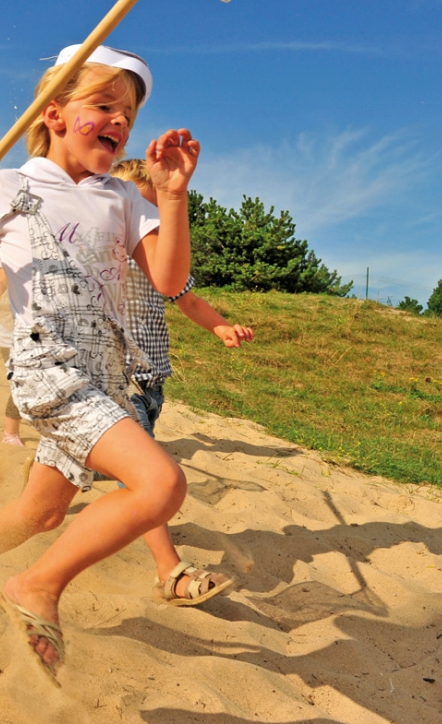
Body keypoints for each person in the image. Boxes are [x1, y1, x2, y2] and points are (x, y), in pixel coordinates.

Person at [0, 44, 199, 681]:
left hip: (104, 376)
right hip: (49, 365)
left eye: (128, 114)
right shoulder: (12, 184)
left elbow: (168, 279)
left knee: (42, 513)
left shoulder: (123, 198)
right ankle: (36, 586)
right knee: (160, 484)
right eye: (104, 105)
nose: (119, 121)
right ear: (54, 114)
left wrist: (173, 196)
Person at [110, 158, 253, 605]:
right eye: (136, 208)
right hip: (116, 377)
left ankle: (59, 464)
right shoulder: (105, 252)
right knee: (145, 476)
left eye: (153, 213)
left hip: (151, 383)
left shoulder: (159, 258)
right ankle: (169, 572)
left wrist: (221, 326)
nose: (146, 222)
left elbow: (188, 301)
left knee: (66, 489)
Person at [0, 266, 25, 446]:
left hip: (44, 331)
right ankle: (11, 434)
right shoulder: (15, 252)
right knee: (21, 381)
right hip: (11, 333)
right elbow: (1, 281)